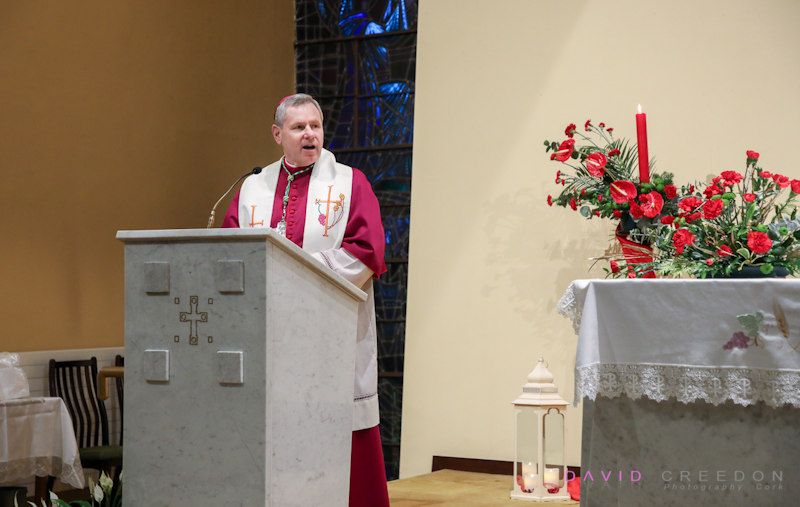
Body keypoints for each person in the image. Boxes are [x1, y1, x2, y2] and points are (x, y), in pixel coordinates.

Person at [222, 93, 390, 507]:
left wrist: (297, 270)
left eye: (315, 126)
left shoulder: (350, 182)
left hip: (328, 332)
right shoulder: (251, 188)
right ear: (278, 135)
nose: (310, 134)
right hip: (270, 336)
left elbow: (368, 251)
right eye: (299, 128)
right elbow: (227, 253)